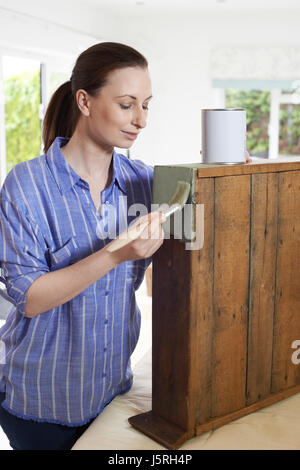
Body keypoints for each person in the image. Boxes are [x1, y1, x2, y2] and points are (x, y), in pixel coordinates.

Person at [0, 42, 166, 450]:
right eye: (127, 104)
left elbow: (199, 211)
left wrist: (232, 169)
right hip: (41, 406)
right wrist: (117, 253)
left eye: (146, 105)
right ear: (84, 102)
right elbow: (31, 298)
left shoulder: (141, 182)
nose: (140, 120)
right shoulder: (26, 186)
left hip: (111, 395)